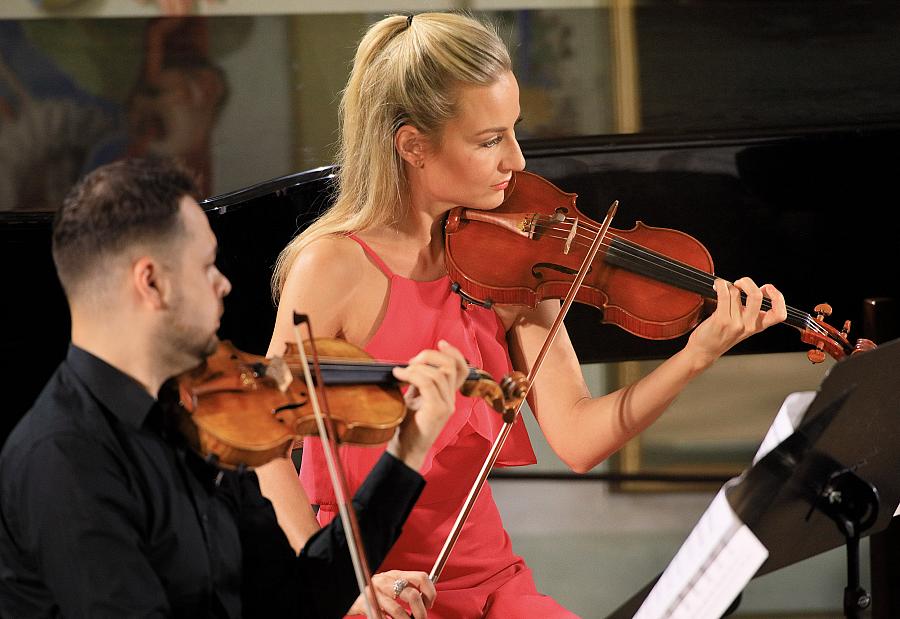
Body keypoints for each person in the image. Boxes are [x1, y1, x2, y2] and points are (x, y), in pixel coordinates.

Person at [264, 11, 789, 618]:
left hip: (490, 582)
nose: (516, 159)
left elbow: (579, 439)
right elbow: (265, 447)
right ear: (412, 146)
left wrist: (696, 355)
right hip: (373, 585)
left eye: (514, 131)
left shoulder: (510, 260)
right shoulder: (332, 267)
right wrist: (335, 581)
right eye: (489, 140)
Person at [0, 156, 468, 618]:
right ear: (152, 283)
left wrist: (405, 453)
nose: (224, 284)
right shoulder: (64, 456)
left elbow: (300, 596)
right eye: (207, 266)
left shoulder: (205, 417)